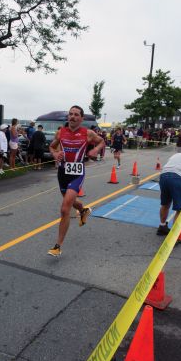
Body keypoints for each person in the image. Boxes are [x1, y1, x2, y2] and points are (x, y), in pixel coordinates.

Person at [47, 105, 105, 257]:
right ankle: (83, 210)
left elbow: (102, 142)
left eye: (76, 114)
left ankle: (57, 246)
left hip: (77, 173)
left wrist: (95, 150)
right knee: (72, 202)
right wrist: (55, 154)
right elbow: (51, 147)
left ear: (81, 118)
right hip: (62, 172)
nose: (72, 117)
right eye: (70, 114)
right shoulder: (61, 132)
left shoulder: (88, 133)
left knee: (65, 209)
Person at [157, 153, 181, 235]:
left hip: (163, 176)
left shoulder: (177, 155)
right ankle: (174, 236)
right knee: (180, 209)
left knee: (165, 204)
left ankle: (162, 227)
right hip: (177, 177)